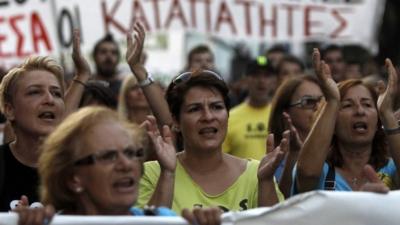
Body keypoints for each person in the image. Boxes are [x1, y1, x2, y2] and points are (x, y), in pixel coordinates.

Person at [125, 23, 285, 213]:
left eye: (217, 107)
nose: (208, 117)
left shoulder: (258, 174)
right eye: (194, 109)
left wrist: (266, 182)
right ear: (175, 121)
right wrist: (168, 174)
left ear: (228, 114)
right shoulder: (152, 174)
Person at [15, 106, 222, 225]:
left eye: (131, 153)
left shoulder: (163, 222)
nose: (126, 165)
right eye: (108, 156)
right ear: (73, 178)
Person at [0, 29, 90, 211]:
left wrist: (83, 75)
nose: (49, 99)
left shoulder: (82, 168)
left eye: (57, 93)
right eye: (35, 92)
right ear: (9, 110)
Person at [294, 49, 400, 194]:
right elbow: (307, 174)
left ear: (377, 123)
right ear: (333, 124)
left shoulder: (392, 168)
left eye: (367, 105)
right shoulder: (321, 171)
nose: (360, 111)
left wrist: (387, 114)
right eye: (348, 105)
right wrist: (332, 101)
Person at [268, 75, 323, 197]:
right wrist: (294, 154)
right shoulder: (275, 162)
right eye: (308, 102)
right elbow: (281, 204)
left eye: (322, 101)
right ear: (286, 112)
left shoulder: (339, 154)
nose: (318, 107)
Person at [223, 56, 278, 160]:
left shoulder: (280, 115)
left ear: (274, 81)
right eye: (255, 75)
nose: (261, 81)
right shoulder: (229, 117)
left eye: (267, 76)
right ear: (245, 79)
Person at [92, 34, 123, 100]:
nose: (108, 56)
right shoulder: (85, 87)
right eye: (103, 52)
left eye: (113, 53)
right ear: (95, 56)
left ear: (118, 58)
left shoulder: (125, 87)